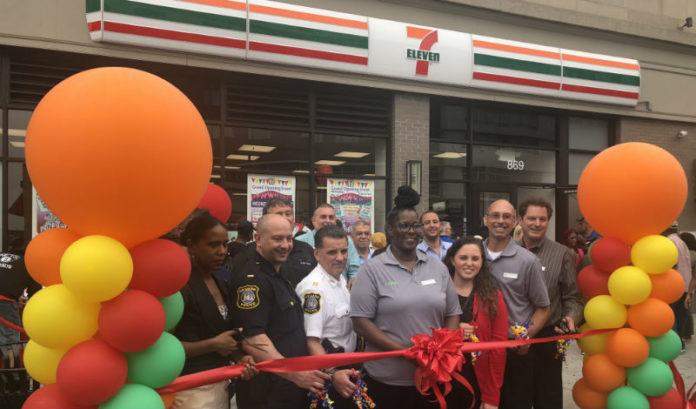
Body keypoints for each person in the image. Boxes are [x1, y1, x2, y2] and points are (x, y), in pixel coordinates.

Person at [350, 186, 462, 409]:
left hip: (432, 376)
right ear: (390, 230)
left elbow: (453, 313)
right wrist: (405, 352)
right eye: (404, 226)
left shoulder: (437, 267)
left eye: (415, 225)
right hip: (387, 380)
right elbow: (360, 322)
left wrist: (442, 348)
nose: (411, 231)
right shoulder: (372, 270)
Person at [231, 214, 330, 409]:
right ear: (258, 239)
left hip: (289, 387)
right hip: (268, 392)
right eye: (277, 239)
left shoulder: (279, 273)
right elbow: (253, 339)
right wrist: (294, 374)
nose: (285, 245)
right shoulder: (252, 280)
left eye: (289, 238)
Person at [172, 211, 257, 409]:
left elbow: (224, 337)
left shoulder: (220, 281)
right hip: (190, 388)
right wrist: (211, 345)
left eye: (225, 244)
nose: (222, 251)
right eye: (213, 245)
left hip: (221, 382)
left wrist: (240, 358)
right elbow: (164, 348)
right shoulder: (180, 287)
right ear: (192, 245)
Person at [482, 199, 550, 409]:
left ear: (514, 223)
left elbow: (543, 308)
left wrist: (526, 335)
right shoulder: (473, 256)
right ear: (485, 220)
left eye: (506, 217)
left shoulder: (528, 261)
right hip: (478, 350)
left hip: (513, 352)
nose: (500, 221)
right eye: (495, 215)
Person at [517, 198, 583, 409]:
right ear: (520, 220)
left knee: (548, 399)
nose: (537, 224)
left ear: (548, 221)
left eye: (542, 219)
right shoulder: (508, 252)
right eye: (531, 218)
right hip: (512, 339)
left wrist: (571, 317)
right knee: (515, 398)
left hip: (547, 338)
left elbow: (573, 297)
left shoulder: (562, 254)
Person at [296, 225, 359, 409]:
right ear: (317, 254)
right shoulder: (314, 289)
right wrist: (333, 374)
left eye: (344, 251)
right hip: (329, 378)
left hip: (346, 371)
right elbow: (311, 342)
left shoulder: (339, 279)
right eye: (332, 252)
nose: (340, 258)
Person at [444, 237, 508, 409]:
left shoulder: (493, 297)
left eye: (475, 259)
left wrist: (491, 396)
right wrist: (453, 332)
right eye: (463, 258)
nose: (469, 263)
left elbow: (499, 349)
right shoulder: (438, 293)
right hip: (443, 379)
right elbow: (425, 331)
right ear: (452, 260)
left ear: (482, 263)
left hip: (478, 381)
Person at [229, 197, 316, 288]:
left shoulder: (306, 250)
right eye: (278, 214)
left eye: (288, 214)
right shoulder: (247, 254)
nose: (284, 218)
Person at [295, 204, 361, 284]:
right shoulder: (299, 242)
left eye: (331, 217)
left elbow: (355, 268)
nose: (328, 221)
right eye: (323, 217)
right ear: (313, 220)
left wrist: (354, 279)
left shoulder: (346, 241)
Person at [665, 222, 692, 351]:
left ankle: (675, 345)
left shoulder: (669, 242)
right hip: (686, 284)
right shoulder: (682, 242)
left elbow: (672, 264)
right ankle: (681, 345)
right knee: (681, 317)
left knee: (671, 316)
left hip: (674, 285)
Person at [679, 232, 696, 344]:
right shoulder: (693, 253)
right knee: (687, 309)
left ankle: (686, 334)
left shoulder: (689, 254)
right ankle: (688, 334)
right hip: (691, 283)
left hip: (687, 283)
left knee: (685, 310)